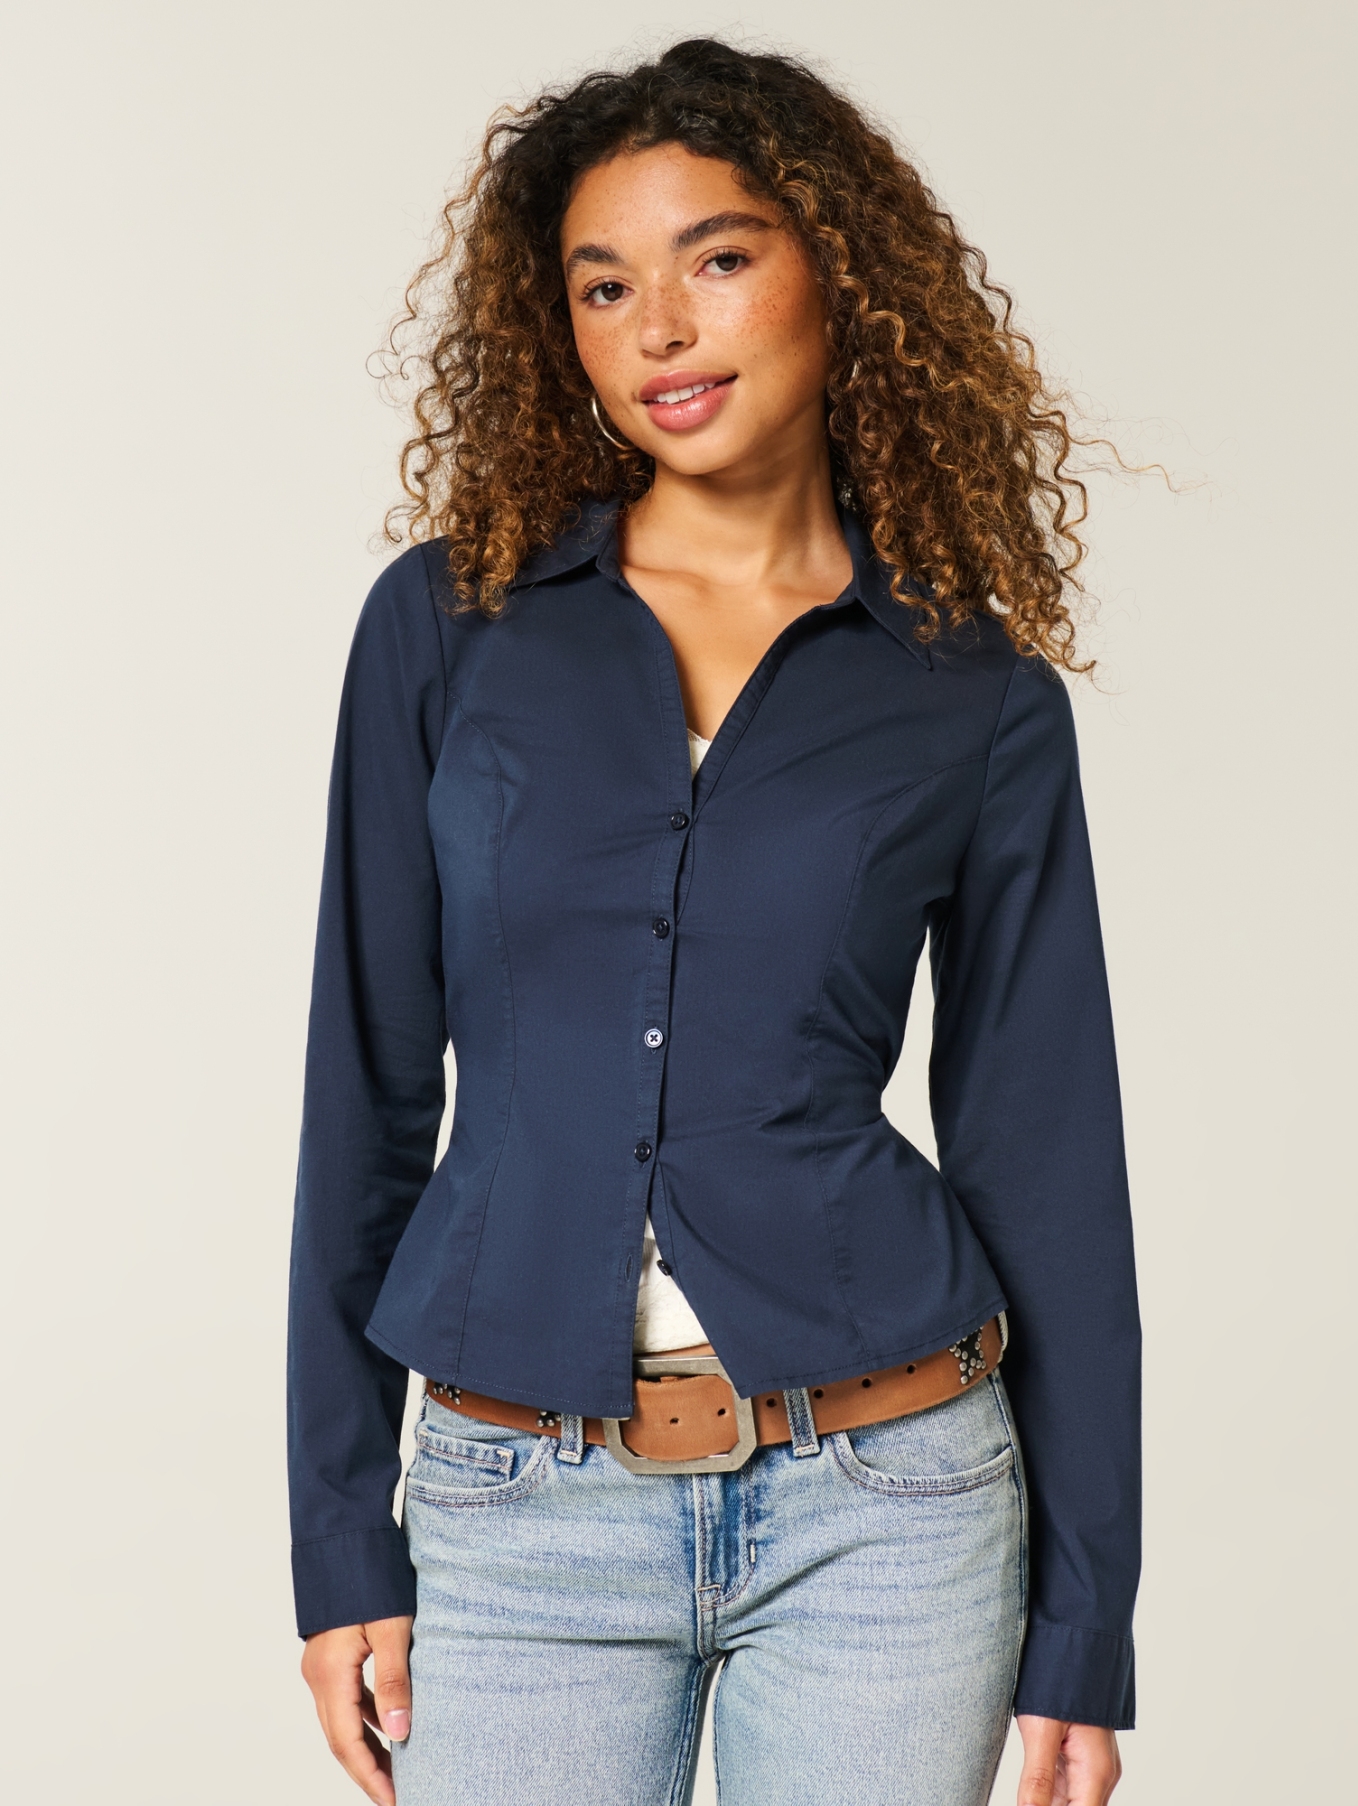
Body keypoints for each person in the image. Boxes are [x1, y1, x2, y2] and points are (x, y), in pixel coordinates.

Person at [289, 38, 1139, 1806]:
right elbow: (362, 1090)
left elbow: (1044, 1147)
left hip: (890, 1507)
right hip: (520, 1507)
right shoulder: (449, 628)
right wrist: (339, 1536)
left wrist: (1084, 1619)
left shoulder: (967, 686)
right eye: (603, 285)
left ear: (841, 274)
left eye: (718, 257)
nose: (659, 328)